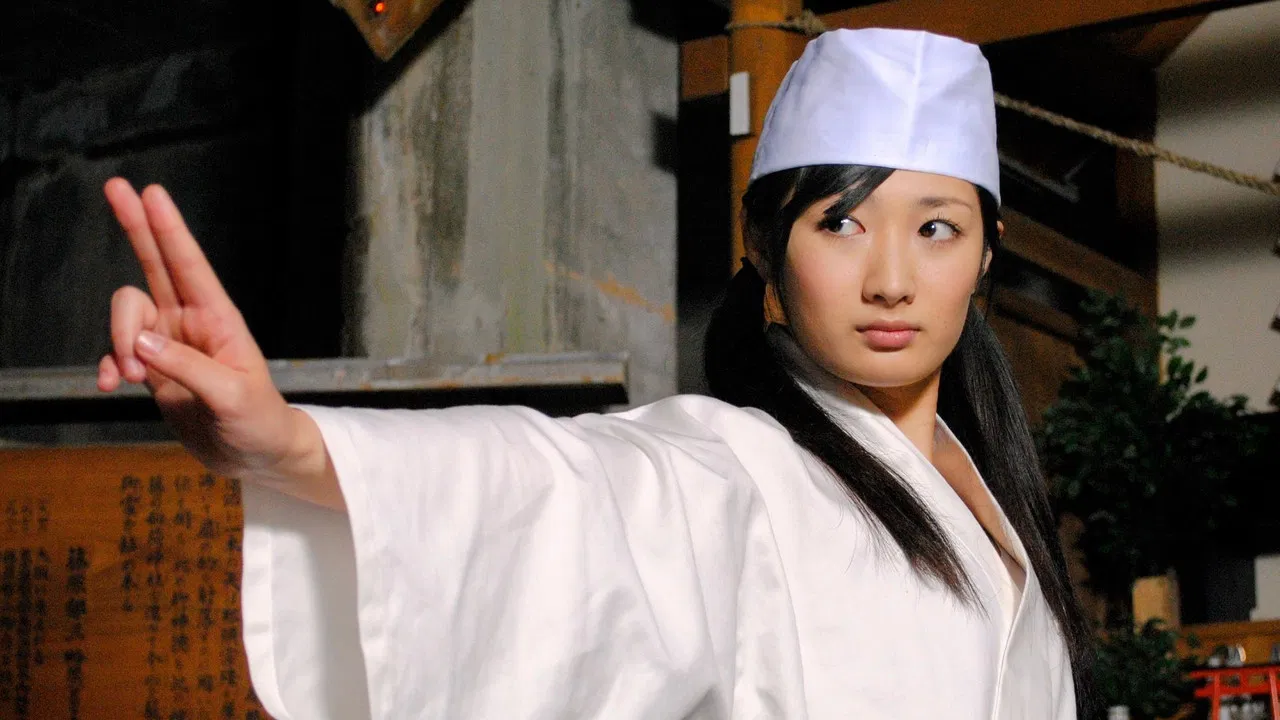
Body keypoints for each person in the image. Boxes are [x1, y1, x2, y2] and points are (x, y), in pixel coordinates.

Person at [99, 28, 1094, 720]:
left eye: (936, 229)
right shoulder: (738, 474)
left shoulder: (993, 504)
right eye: (839, 222)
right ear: (763, 249)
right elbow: (560, 490)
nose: (890, 279)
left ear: (986, 252)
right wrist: (289, 446)